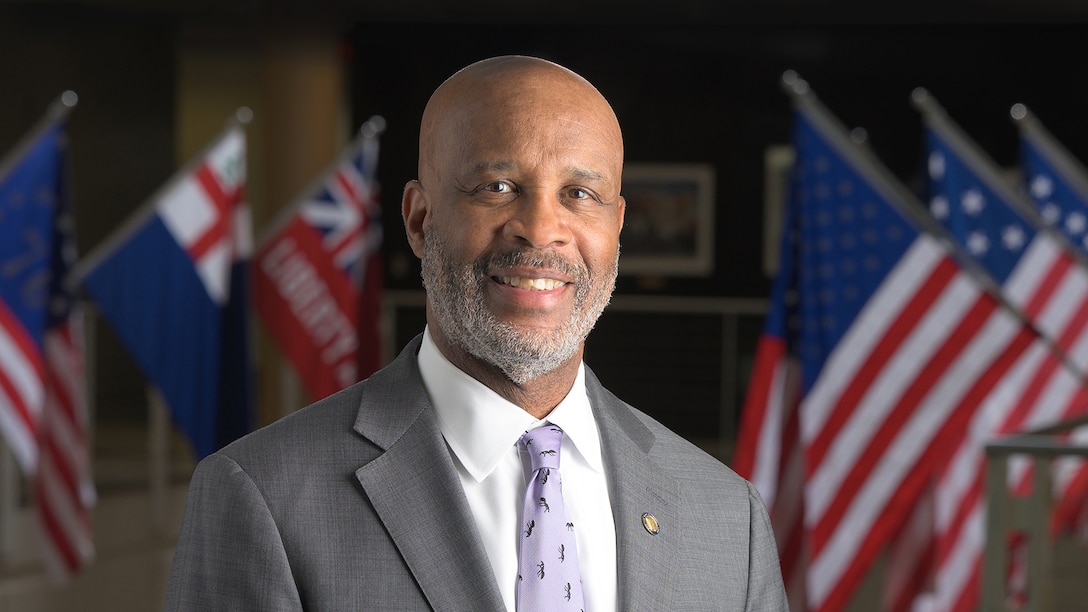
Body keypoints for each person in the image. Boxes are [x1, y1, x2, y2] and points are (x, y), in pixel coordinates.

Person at [165, 55, 788, 611]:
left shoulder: (727, 517)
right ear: (418, 219)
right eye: (498, 188)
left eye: (579, 194)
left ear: (617, 226)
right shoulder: (262, 499)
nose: (541, 229)